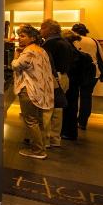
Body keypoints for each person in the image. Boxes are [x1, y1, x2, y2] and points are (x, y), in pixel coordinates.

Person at [11, 24, 56, 159]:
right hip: (41, 90)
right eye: (19, 36)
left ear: (32, 37)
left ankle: (38, 150)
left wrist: (16, 55)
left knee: (31, 120)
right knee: (38, 121)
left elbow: (16, 65)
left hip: (29, 90)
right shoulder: (41, 50)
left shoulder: (29, 51)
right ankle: (40, 147)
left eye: (23, 36)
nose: (20, 38)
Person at [40, 19, 74, 145]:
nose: (40, 30)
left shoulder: (50, 44)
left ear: (50, 30)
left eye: (43, 28)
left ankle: (45, 140)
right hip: (64, 77)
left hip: (52, 78)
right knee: (57, 110)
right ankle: (55, 138)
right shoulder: (65, 42)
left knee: (47, 109)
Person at [70, 23, 103, 130]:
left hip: (76, 72)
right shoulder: (94, 41)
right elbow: (102, 57)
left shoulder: (74, 40)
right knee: (86, 97)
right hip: (93, 72)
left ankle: (72, 120)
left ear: (74, 31)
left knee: (73, 96)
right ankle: (82, 122)